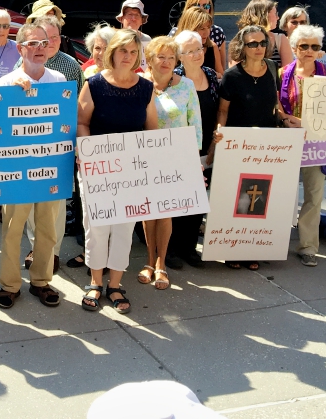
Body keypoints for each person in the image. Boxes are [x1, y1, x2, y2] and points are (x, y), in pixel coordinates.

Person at [77, 29, 157, 314]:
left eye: (134, 52)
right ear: (112, 53)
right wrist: (88, 151)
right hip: (98, 169)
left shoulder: (146, 88)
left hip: (131, 172)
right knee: (97, 227)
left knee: (124, 229)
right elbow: (82, 122)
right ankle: (95, 282)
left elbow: (152, 130)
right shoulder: (94, 84)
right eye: (123, 50)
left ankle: (115, 284)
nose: (128, 56)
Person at [0, 23, 67, 309]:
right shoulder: (6, 82)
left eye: (44, 43)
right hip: (16, 169)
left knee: (47, 229)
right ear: (20, 48)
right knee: (13, 228)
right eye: (33, 44)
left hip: (48, 166)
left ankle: (41, 281)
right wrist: (12, 94)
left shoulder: (59, 79)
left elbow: (65, 123)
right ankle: (10, 285)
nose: (40, 49)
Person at [15, 14, 84, 270]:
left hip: (56, 148)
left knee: (54, 205)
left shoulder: (66, 72)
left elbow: (76, 107)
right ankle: (37, 248)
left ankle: (52, 252)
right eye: (38, 41)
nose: (43, 46)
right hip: (26, 149)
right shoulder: (16, 70)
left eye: (50, 40)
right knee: (32, 205)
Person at [214, 24, 280, 270]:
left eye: (262, 43)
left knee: (257, 196)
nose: (259, 48)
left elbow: (276, 104)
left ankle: (251, 248)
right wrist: (218, 136)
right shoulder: (232, 76)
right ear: (243, 47)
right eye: (253, 44)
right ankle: (232, 249)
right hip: (237, 144)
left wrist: (285, 119)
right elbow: (223, 110)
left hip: (265, 144)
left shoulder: (273, 69)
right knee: (235, 197)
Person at [140, 37, 201, 286]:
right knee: (147, 212)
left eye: (171, 58)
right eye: (160, 57)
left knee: (165, 212)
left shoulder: (186, 86)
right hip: (144, 157)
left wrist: (193, 158)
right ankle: (148, 259)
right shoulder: (139, 83)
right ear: (150, 59)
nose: (166, 62)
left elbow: (195, 124)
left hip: (175, 157)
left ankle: (161, 263)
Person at [275, 24, 326, 268]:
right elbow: (275, 105)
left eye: (315, 47)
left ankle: (308, 246)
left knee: (314, 193)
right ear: (295, 47)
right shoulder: (282, 73)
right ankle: (273, 241)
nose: (309, 51)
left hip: (317, 142)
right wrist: (286, 118)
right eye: (304, 46)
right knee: (282, 193)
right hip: (288, 139)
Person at [170, 30, 219, 268]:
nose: (196, 54)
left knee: (198, 201)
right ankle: (171, 250)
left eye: (198, 48)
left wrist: (213, 142)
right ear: (179, 55)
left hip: (206, 148)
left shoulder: (211, 75)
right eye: (189, 51)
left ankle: (189, 248)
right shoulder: (174, 79)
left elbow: (220, 110)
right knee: (178, 202)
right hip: (180, 149)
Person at [169, 0, 227, 73]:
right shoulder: (175, 40)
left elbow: (221, 73)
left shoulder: (213, 45)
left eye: (206, 6)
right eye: (201, 28)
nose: (206, 33)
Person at [236, 0, 292, 69]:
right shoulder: (240, 40)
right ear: (264, 16)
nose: (278, 18)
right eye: (275, 14)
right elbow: (236, 71)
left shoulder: (280, 39)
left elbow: (287, 72)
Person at [174, 7, 224, 77]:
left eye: (209, 27)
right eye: (202, 29)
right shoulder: (174, 49)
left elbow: (221, 75)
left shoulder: (212, 47)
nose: (206, 33)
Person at [116, 0, 152, 68]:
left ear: (142, 21)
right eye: (130, 14)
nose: (133, 18)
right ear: (121, 19)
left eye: (137, 15)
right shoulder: (112, 38)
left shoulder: (147, 40)